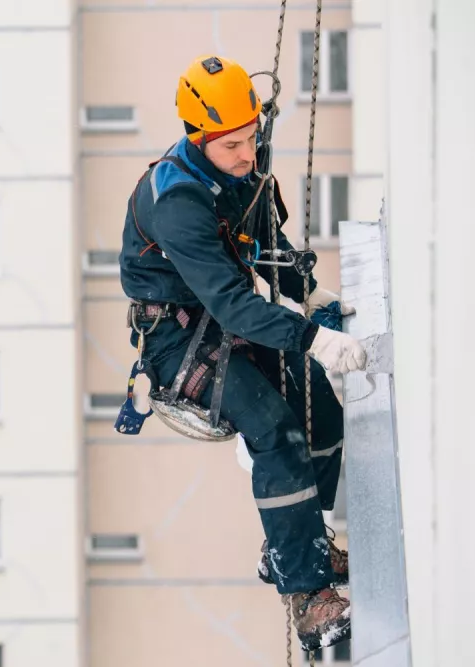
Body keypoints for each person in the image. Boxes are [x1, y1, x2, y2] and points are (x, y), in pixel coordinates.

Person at [117, 54, 366, 651]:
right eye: (232, 146)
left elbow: (270, 251)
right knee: (275, 430)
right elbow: (231, 302)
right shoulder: (174, 201)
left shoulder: (245, 171)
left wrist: (314, 298)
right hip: (182, 337)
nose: (248, 155)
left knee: (324, 417)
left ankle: (295, 543)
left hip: (228, 316)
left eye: (253, 137)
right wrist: (313, 336)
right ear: (198, 137)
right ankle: (308, 597)